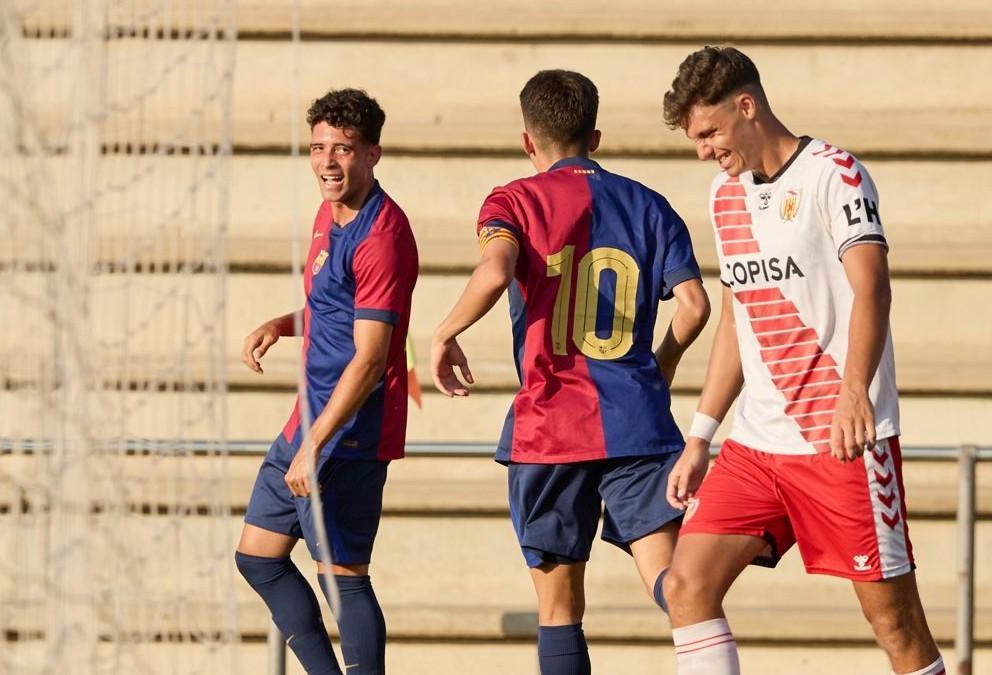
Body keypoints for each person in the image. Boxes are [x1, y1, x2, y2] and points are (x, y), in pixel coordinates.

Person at [659, 46, 945, 675]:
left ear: (747, 106)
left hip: (839, 442)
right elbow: (737, 316)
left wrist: (854, 391)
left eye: (709, 133)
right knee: (685, 586)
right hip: (756, 446)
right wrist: (701, 435)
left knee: (896, 625)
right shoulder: (724, 194)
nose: (703, 151)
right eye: (695, 140)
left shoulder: (834, 174)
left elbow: (873, 287)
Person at [430, 69, 710, 674]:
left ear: (527, 141)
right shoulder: (650, 205)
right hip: (636, 422)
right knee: (675, 585)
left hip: (549, 427)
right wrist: (658, 367)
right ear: (596, 137)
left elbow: (495, 271)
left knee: (559, 609)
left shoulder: (513, 201)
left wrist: (445, 331)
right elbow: (694, 306)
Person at [235, 88, 418, 675]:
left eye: (343, 148)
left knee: (343, 578)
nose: (327, 161)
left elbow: (370, 358)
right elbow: (336, 308)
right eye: (318, 148)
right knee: (258, 557)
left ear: (372, 154)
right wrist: (283, 324)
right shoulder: (328, 211)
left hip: (349, 431)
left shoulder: (382, 235)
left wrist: (316, 446)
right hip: (307, 420)